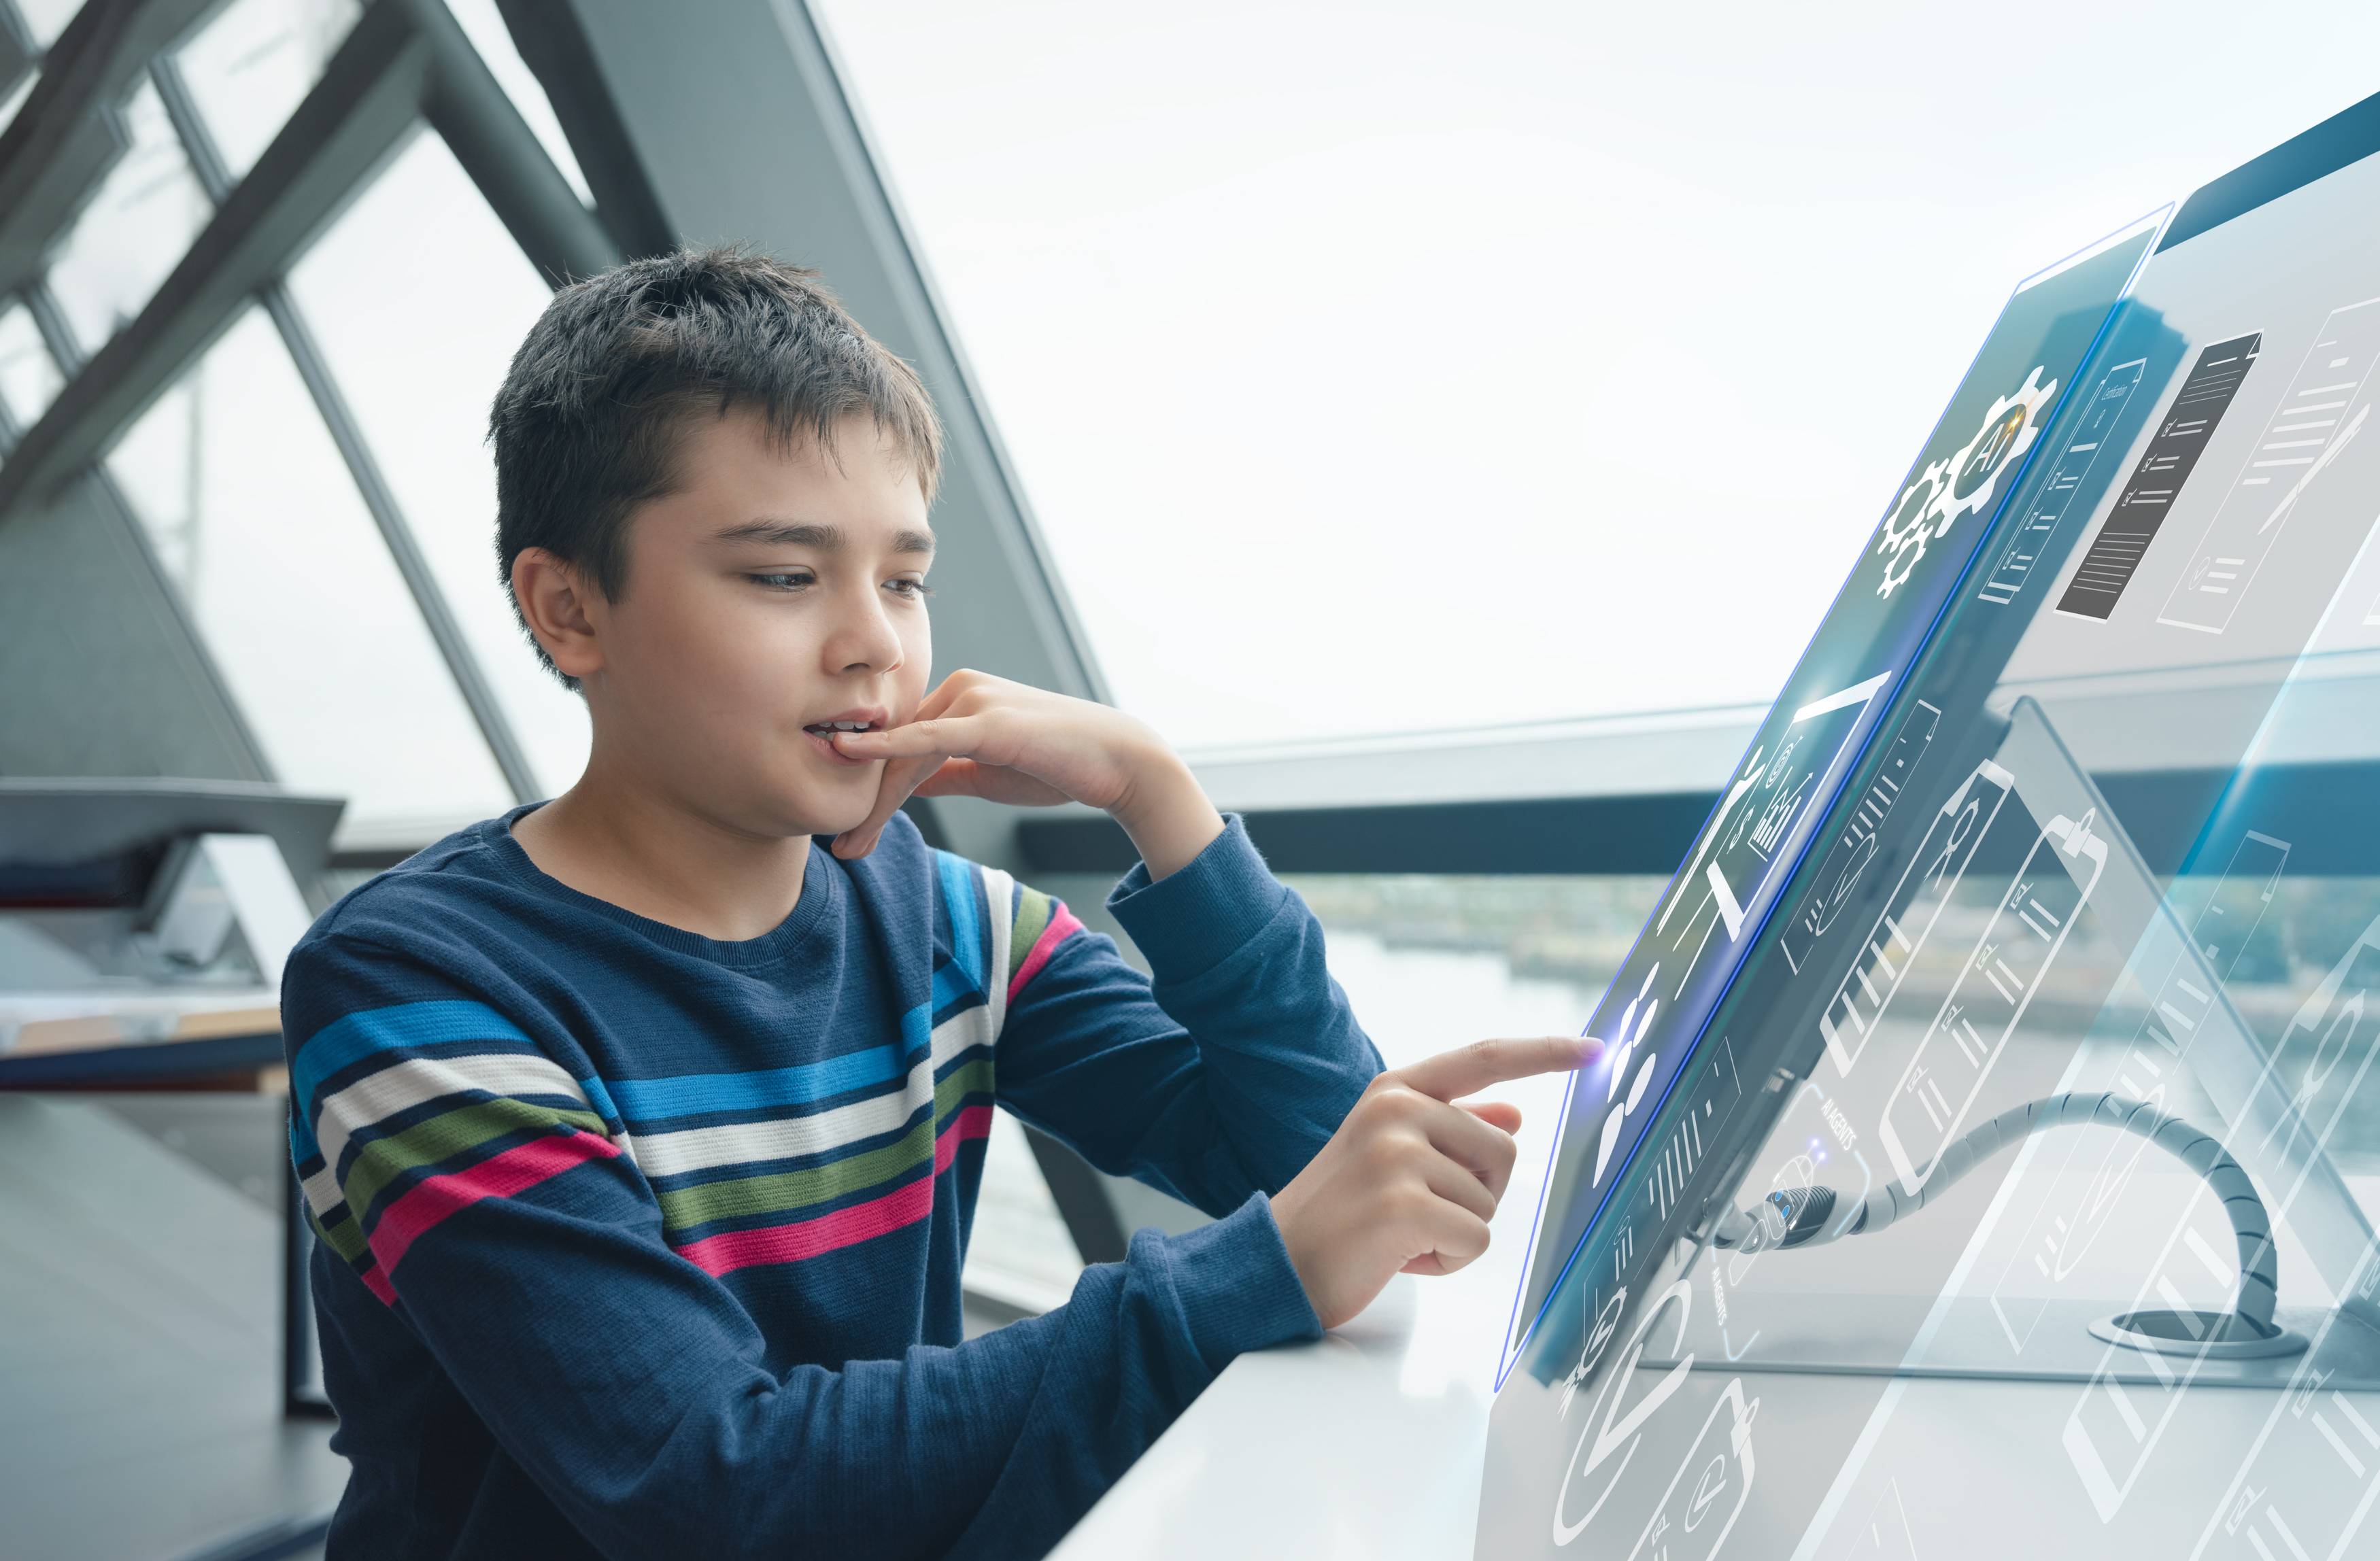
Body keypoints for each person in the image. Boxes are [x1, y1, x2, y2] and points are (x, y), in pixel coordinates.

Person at [281, 245, 1595, 1560]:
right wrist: (1248, 1280)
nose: (875, 642)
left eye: (901, 577)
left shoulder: (954, 924)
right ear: (570, 609)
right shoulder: (413, 990)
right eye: (786, 577)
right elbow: (709, 1486)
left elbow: (1320, 1163)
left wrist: (1155, 794)